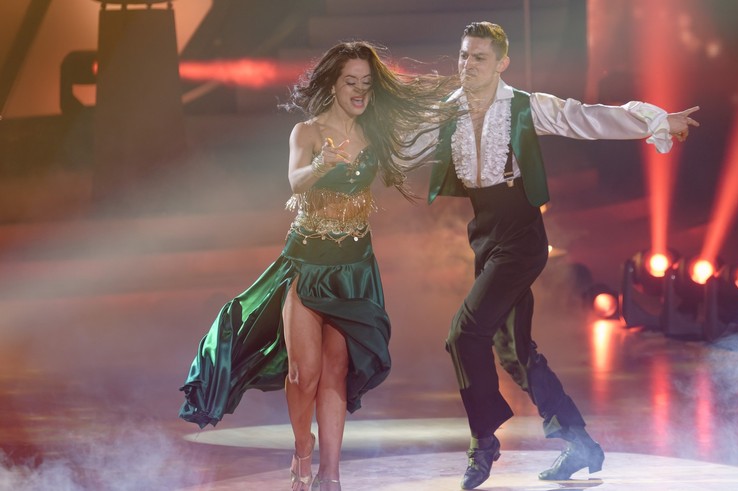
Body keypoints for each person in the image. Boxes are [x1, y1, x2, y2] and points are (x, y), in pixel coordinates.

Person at [417, 21, 700, 489]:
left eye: (479, 57)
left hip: (522, 237)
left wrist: (656, 120)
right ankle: (579, 442)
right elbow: (404, 144)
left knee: (464, 334)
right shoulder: (446, 112)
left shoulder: (525, 107)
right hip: (485, 236)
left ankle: (483, 441)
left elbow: (587, 117)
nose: (467, 65)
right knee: (513, 351)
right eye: (464, 56)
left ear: (502, 63)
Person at [178, 41, 455, 491]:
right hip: (306, 264)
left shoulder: (377, 133)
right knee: (301, 373)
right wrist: (322, 164)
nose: (360, 91)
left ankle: (331, 475)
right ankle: (302, 451)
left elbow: (421, 139)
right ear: (333, 84)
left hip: (353, 267)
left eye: (367, 83)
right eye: (351, 82)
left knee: (336, 372)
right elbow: (294, 179)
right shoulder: (305, 132)